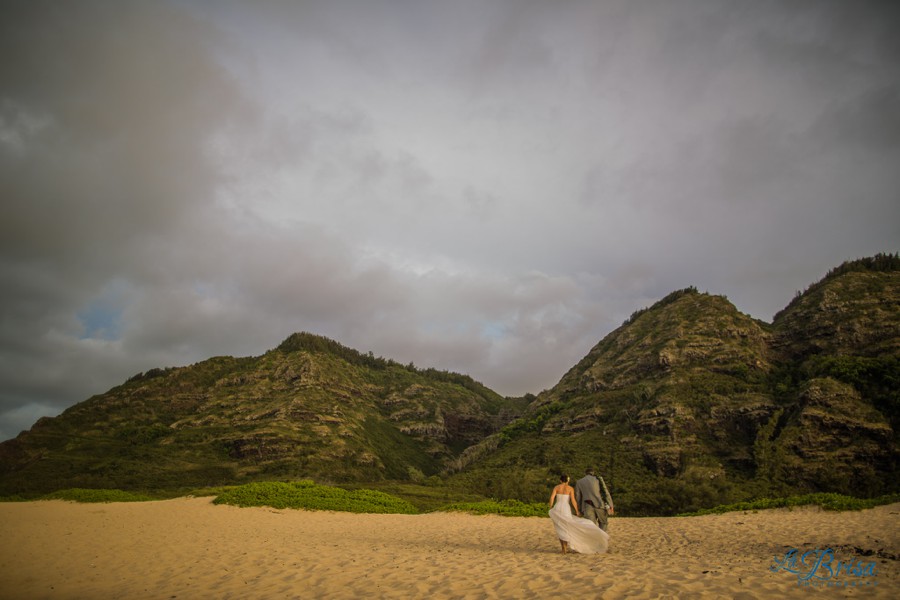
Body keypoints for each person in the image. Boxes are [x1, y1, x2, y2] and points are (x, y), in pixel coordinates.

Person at [548, 474, 610, 554]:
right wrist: (577, 510)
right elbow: (573, 500)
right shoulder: (570, 488)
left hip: (557, 507)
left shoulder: (556, 487)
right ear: (568, 480)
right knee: (566, 527)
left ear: (560, 480)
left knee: (559, 527)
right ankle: (565, 548)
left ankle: (563, 549)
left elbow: (552, 498)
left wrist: (551, 507)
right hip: (565, 508)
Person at [575, 467, 614, 532]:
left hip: (587, 506)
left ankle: (593, 537)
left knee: (590, 526)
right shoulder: (599, 479)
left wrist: (579, 509)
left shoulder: (579, 482)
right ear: (593, 472)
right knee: (603, 523)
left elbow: (578, 496)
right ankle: (601, 536)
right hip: (600, 504)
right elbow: (605, 491)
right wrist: (610, 504)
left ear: (585, 473)